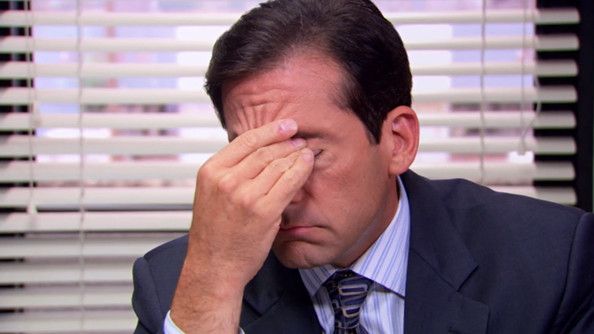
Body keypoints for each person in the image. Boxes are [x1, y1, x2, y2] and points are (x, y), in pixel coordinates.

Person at [132, 0, 594, 333]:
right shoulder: (181, 287)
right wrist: (213, 288)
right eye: (252, 156)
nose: (278, 194)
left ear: (398, 141)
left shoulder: (553, 264)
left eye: (305, 152)